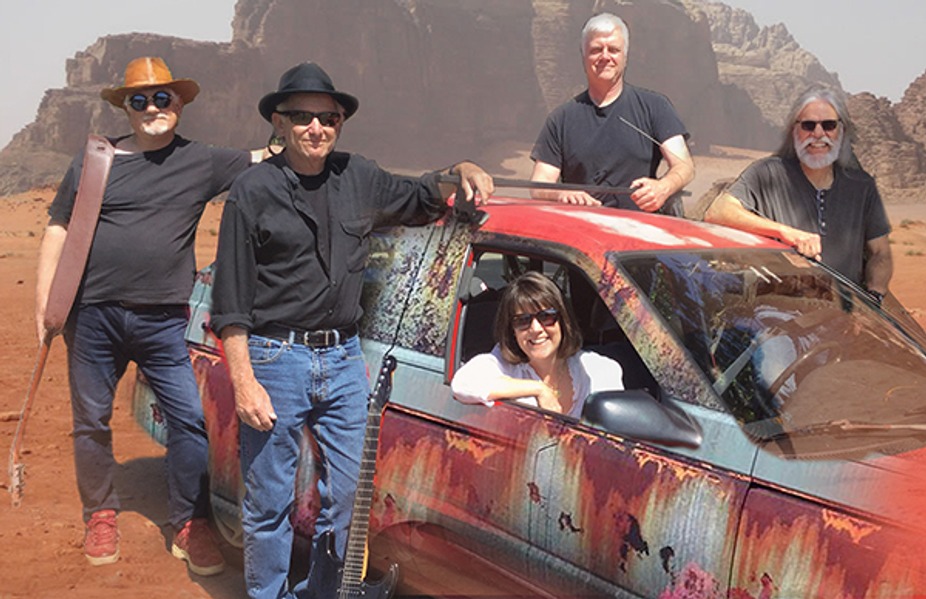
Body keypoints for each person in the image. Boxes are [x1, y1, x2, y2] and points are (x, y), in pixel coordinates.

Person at [209, 61, 494, 599]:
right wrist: (244, 382)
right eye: (302, 117)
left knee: (347, 497)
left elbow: (421, 196)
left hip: (342, 360)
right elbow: (231, 302)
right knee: (270, 502)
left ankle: (325, 593)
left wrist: (461, 168)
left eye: (329, 118)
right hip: (275, 358)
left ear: (340, 124)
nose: (316, 127)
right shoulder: (252, 191)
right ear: (279, 122)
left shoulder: (358, 177)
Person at [35, 56, 261, 574]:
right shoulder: (95, 160)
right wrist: (44, 302)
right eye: (140, 99)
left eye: (163, 98)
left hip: (162, 322)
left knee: (189, 422)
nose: (152, 107)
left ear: (179, 104)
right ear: (126, 108)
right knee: (90, 422)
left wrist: (302, 125)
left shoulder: (202, 161)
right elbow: (58, 226)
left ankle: (189, 522)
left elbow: (266, 157)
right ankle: (100, 514)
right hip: (92, 317)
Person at [704, 86, 892, 301]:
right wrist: (785, 233)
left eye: (829, 125)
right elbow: (717, 211)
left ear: (841, 131)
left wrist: (874, 295)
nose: (818, 134)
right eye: (808, 125)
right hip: (780, 311)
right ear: (795, 131)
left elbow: (880, 253)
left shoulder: (861, 186)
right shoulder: (767, 173)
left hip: (843, 314)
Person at [530, 12, 695, 215]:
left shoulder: (655, 107)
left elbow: (685, 166)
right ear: (583, 56)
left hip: (639, 228)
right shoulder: (560, 119)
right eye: (596, 50)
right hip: (580, 227)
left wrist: (663, 187)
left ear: (625, 56)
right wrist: (561, 194)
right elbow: (539, 184)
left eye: (614, 50)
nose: (605, 57)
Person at [452, 272, 624, 417]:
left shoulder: (594, 369)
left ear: (563, 320)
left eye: (546, 316)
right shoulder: (504, 365)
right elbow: (462, 384)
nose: (536, 329)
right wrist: (538, 389)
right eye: (523, 320)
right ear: (512, 330)